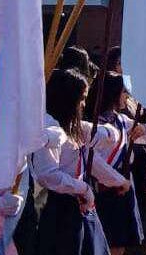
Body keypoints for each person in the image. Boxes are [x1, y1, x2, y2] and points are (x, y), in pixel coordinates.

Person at [32, 69, 110, 255]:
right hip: (54, 209)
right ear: (67, 99)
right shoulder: (49, 125)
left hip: (71, 205)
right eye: (81, 98)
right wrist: (82, 188)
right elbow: (48, 175)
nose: (84, 104)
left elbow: (106, 134)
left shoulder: (69, 125)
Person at [86, 72, 146, 255]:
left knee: (119, 245)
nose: (126, 96)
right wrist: (117, 181)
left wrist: (143, 128)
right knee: (106, 243)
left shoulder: (119, 119)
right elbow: (94, 162)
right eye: (123, 92)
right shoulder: (93, 124)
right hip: (104, 187)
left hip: (122, 186)